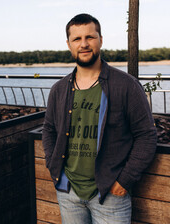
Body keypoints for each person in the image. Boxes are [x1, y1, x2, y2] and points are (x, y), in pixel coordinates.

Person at [42, 13, 157, 224]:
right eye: (77, 39)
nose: (84, 44)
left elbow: (146, 136)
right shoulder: (59, 90)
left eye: (90, 37)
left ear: (100, 40)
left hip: (110, 195)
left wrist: (124, 180)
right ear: (69, 44)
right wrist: (53, 165)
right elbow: (49, 130)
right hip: (69, 192)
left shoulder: (126, 86)